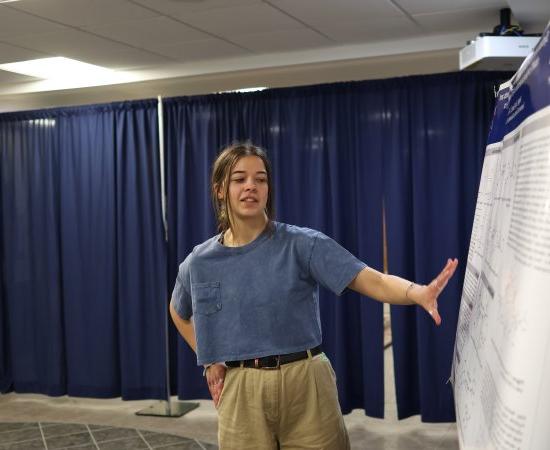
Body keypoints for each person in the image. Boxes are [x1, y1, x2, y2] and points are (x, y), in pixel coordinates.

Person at [170, 142, 458, 450]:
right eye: (239, 179)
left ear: (269, 189)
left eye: (261, 179)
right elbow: (178, 311)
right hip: (241, 391)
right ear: (219, 190)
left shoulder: (302, 244)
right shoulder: (200, 261)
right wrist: (209, 357)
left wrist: (418, 292)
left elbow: (371, 280)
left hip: (306, 382)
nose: (251, 186)